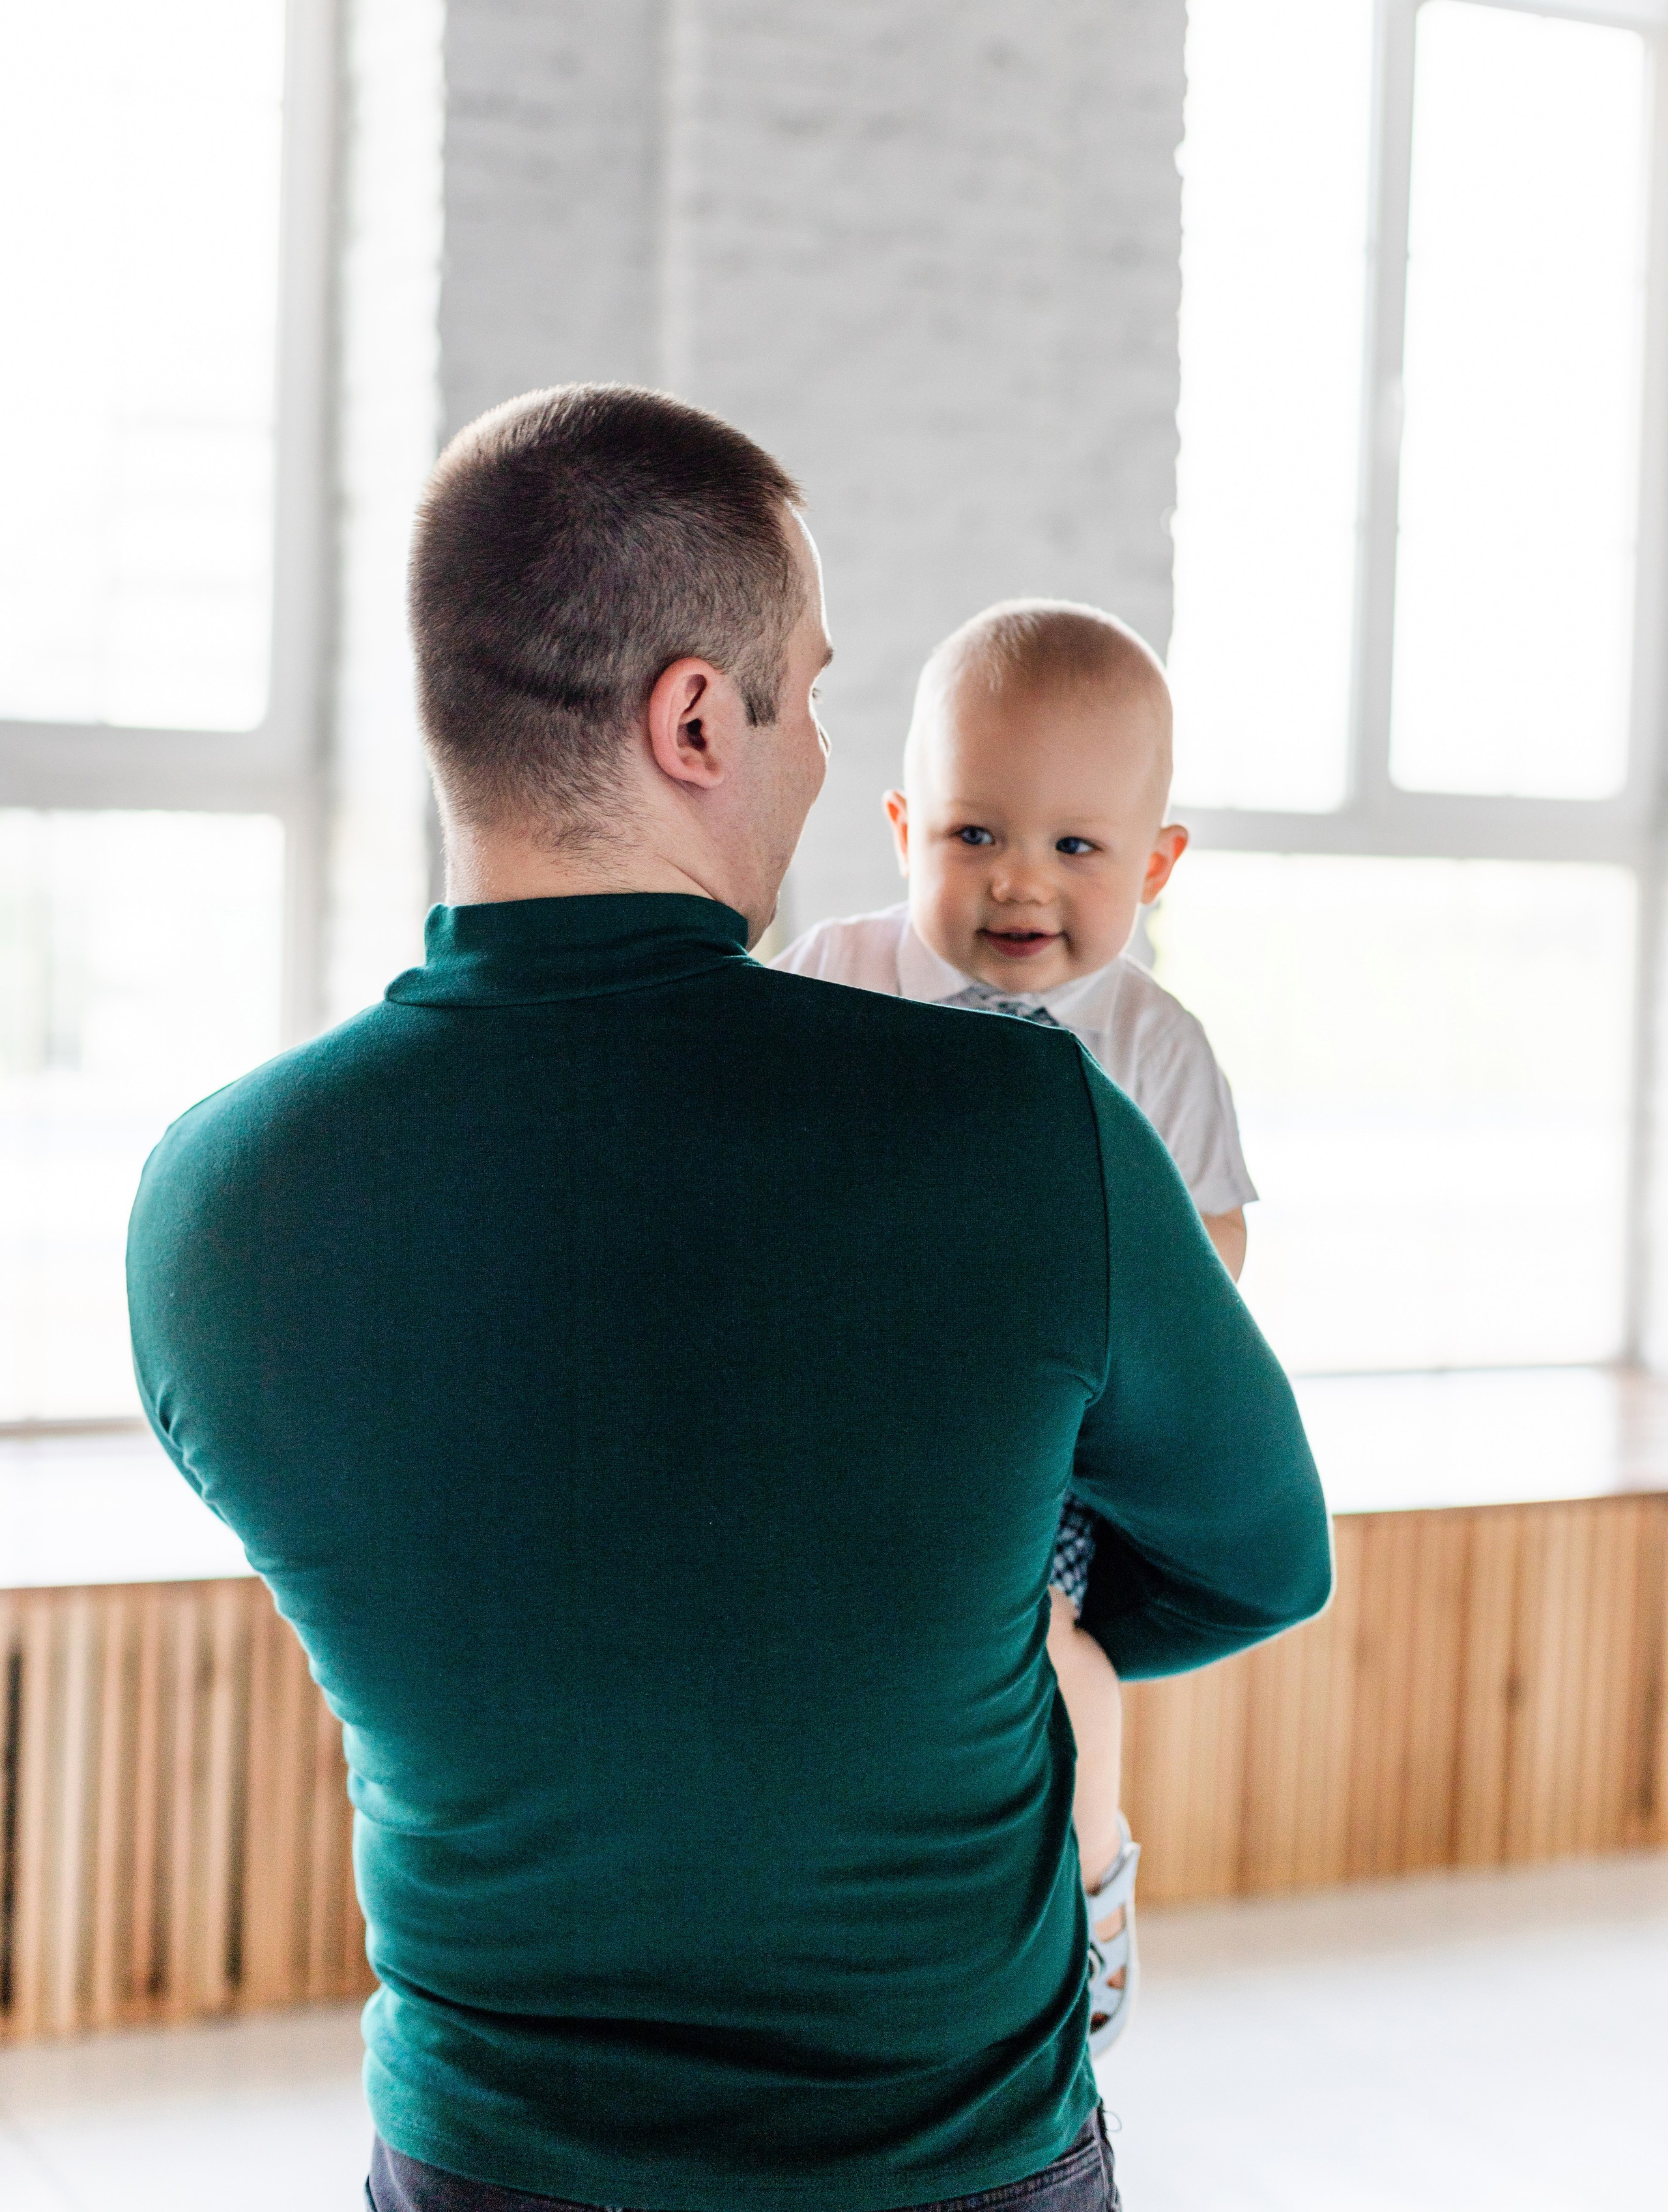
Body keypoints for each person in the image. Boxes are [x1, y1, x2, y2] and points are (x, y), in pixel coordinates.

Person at [126, 386, 1330, 2212]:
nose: (830, 759)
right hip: (944, 2159)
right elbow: (1263, 1552)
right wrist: (965, 1629)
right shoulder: (1024, 1129)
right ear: (697, 717)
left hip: (477, 2160)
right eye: (818, 695)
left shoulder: (212, 1206)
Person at [774, 600, 1257, 2048]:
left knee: (1050, 1670)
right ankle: (822, 1927)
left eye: (1076, 847)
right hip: (834, 1429)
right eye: (973, 836)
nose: (1018, 885)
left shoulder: (1148, 1048)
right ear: (902, 826)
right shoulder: (833, 984)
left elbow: (1211, 1255)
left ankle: (1088, 1898)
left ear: (1154, 863)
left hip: (1029, 1455)